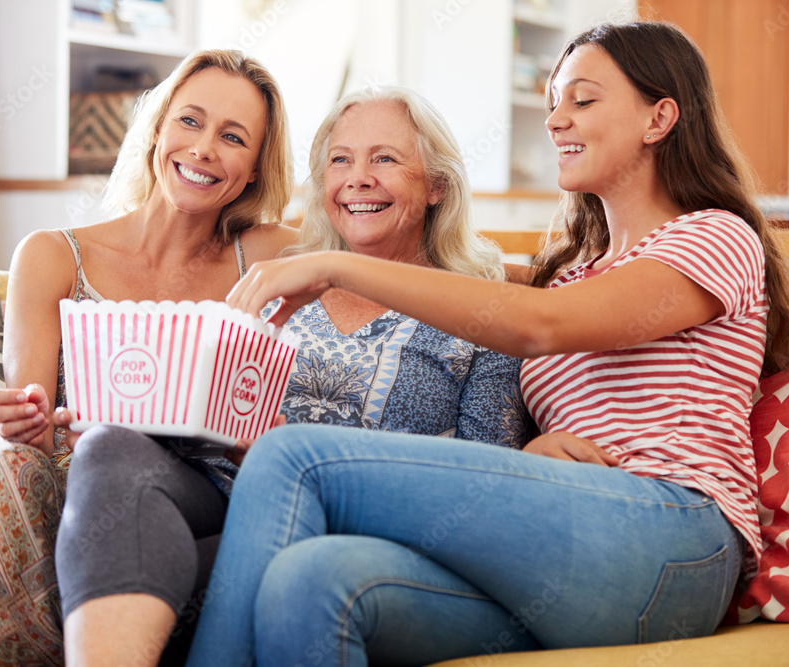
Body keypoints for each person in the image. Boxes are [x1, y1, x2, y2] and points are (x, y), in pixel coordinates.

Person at [185, 21, 789, 667]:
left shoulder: (714, 236)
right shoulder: (574, 270)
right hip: (572, 548)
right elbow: (479, 285)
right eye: (552, 103)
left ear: (659, 118)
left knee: (293, 456)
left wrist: (334, 264)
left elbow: (537, 322)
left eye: (581, 99)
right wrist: (536, 450)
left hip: (675, 538)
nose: (555, 120)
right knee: (315, 579)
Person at [51, 85, 530, 666]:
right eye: (340, 160)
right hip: (232, 492)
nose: (357, 177)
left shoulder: (483, 306)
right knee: (109, 449)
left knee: (157, 565)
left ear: (436, 186)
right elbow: (220, 421)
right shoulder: (280, 278)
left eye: (384, 158)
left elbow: (489, 479)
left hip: (359, 539)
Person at [0, 48, 296, 667]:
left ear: (255, 173)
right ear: (158, 129)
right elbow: (26, 422)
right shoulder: (53, 254)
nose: (205, 147)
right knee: (4, 466)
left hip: (162, 511)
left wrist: (496, 279)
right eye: (190, 120)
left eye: (233, 137)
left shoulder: (265, 257)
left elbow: (409, 258)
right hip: (46, 488)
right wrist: (28, 417)